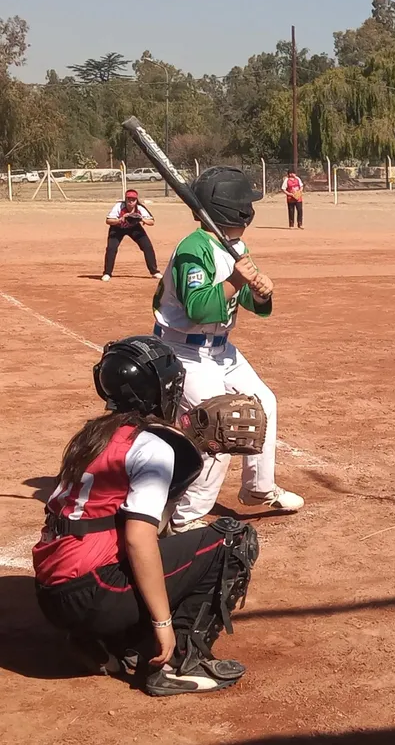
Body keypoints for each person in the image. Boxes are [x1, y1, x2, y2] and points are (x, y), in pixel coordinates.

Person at [33, 335, 259, 696]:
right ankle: (177, 663)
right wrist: (162, 623)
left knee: (141, 539)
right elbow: (139, 540)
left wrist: (187, 444)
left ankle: (106, 642)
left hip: (52, 595)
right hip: (94, 593)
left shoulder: (90, 435)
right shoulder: (151, 448)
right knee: (231, 539)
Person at [152, 165, 304, 534]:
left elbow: (245, 300)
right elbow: (198, 308)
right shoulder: (194, 248)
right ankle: (185, 517)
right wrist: (237, 279)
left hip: (220, 350)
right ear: (237, 210)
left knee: (264, 403)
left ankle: (258, 488)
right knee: (219, 426)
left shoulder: (233, 246)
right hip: (182, 351)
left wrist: (260, 292)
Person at [103, 190, 160, 281]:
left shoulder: (140, 208)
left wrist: (142, 219)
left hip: (134, 228)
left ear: (136, 200)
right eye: (129, 199)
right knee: (111, 248)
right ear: (125, 199)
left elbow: (152, 222)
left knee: (147, 247)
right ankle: (107, 273)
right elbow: (108, 221)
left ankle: (154, 272)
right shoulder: (119, 206)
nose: (131, 202)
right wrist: (120, 219)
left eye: (133, 199)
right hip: (117, 228)